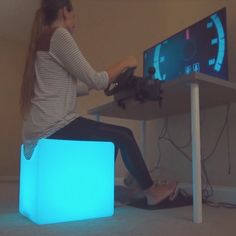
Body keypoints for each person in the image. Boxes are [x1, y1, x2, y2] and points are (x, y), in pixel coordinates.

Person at [20, 0, 177, 206]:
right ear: (64, 12)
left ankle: (100, 189)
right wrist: (125, 62)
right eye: (74, 16)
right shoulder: (59, 35)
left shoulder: (44, 40)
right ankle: (151, 191)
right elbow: (96, 79)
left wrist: (103, 83)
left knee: (111, 139)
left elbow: (73, 87)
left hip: (38, 128)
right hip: (52, 126)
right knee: (124, 135)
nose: (75, 23)